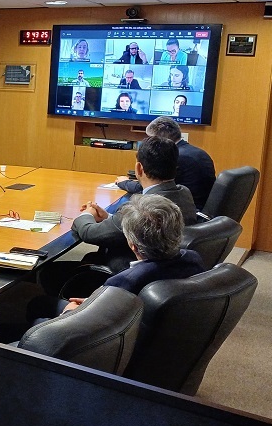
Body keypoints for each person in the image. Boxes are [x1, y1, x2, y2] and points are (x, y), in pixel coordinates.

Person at [33, 195, 204, 321]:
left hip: (107, 337)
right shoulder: (194, 259)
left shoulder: (122, 282)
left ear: (132, 245)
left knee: (38, 306)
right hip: (149, 323)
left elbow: (89, 323)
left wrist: (70, 311)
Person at [72, 136, 197, 274]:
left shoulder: (145, 207)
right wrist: (109, 217)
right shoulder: (184, 193)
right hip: (168, 268)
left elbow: (90, 233)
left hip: (130, 272)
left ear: (139, 168)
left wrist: (86, 214)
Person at [115, 116, 215, 209]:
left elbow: (150, 187)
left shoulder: (174, 156)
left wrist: (124, 182)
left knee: (125, 204)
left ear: (160, 140)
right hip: (195, 210)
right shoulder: (198, 152)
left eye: (151, 139)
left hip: (183, 212)